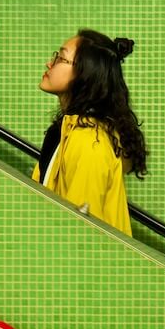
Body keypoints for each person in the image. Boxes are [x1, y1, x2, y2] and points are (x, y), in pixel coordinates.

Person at [32, 29, 148, 237]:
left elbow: (80, 233)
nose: (49, 63)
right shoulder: (66, 131)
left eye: (60, 58)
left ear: (84, 74)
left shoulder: (88, 143)